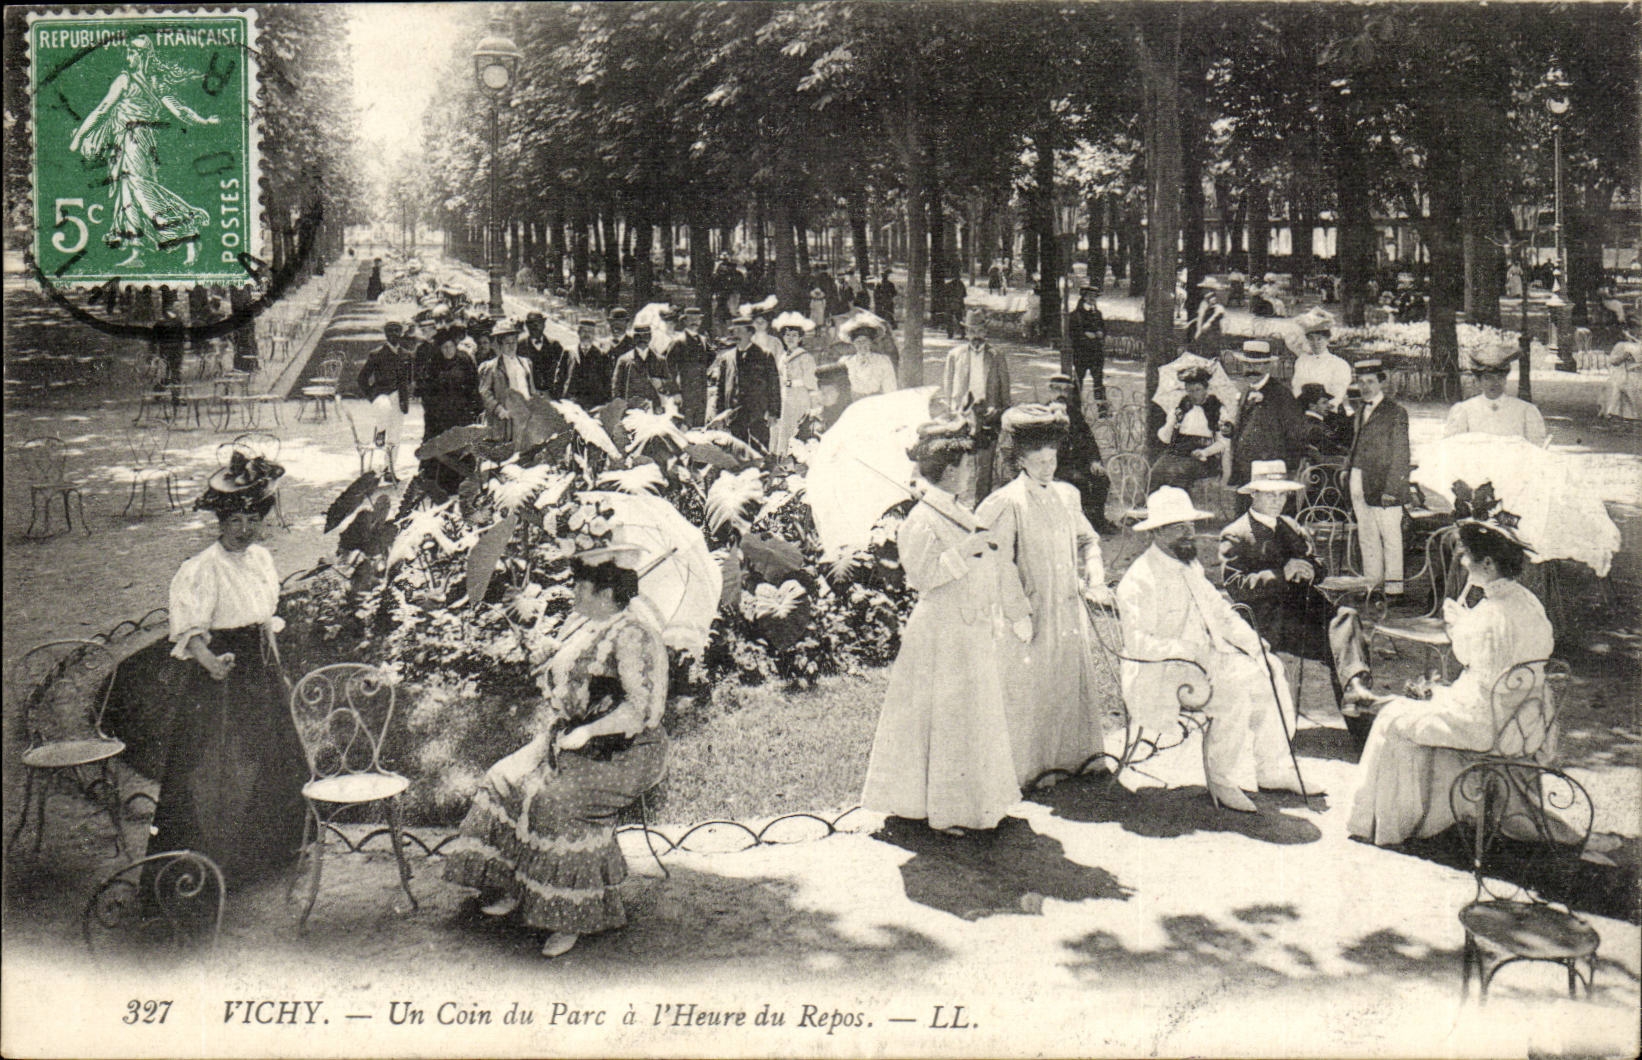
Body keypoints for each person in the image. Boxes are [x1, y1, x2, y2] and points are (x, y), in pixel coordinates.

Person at [444, 545, 671, 958]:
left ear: (605, 594)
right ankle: (517, 885)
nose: (574, 594)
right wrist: (547, 658)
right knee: (503, 779)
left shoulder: (635, 635)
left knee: (555, 804)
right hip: (567, 739)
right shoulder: (585, 625)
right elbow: (572, 680)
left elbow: (643, 710)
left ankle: (571, 917)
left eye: (582, 588)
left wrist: (588, 733)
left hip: (625, 750)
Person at [861, 419, 1029, 834]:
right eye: (968, 467)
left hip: (968, 624)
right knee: (947, 716)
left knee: (971, 712)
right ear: (950, 470)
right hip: (941, 630)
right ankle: (943, 808)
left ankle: (975, 803)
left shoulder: (953, 510)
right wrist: (966, 550)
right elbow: (922, 576)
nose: (973, 474)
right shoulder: (921, 518)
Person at [146, 453, 307, 883]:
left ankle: (269, 852)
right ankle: (209, 867)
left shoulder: (261, 560)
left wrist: (278, 667)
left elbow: (265, 620)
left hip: (262, 669)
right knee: (220, 767)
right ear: (220, 522)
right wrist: (212, 663)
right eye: (235, 521)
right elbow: (190, 631)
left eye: (253, 520)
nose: (245, 530)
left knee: (275, 755)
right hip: (223, 675)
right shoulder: (200, 569)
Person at [1347, 516, 1553, 846]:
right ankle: (1434, 812)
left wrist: (1459, 625)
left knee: (1393, 720)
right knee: (1425, 703)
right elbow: (1504, 663)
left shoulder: (1490, 613)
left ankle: (1387, 825)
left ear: (1487, 563)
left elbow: (1471, 661)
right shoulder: (1528, 602)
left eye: (1468, 555)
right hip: (1528, 718)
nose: (1462, 560)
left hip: (1491, 723)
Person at [1116, 486, 1305, 812]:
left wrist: (1253, 643)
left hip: (1200, 664)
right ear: (1158, 532)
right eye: (1179, 527)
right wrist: (1193, 651)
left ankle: (1272, 767)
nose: (1190, 533)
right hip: (1159, 674)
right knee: (1233, 689)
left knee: (1269, 668)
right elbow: (1139, 644)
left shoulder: (1189, 566)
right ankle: (1222, 778)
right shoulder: (1140, 579)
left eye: (1191, 525)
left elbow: (1220, 612)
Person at [976, 405, 1111, 787]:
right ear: (1020, 460)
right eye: (1039, 461)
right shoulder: (1006, 502)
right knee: (1031, 686)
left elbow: (1087, 539)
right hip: (1030, 611)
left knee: (1067, 680)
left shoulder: (1067, 495)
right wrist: (1018, 613)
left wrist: (1095, 571)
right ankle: (1032, 768)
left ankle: (1076, 758)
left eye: (1052, 459)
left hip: (1066, 606)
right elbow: (998, 564)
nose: (1047, 467)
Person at [1219, 460, 1374, 713]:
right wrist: (1282, 574)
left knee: (1347, 619)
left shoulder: (1290, 526)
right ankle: (1355, 694)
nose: (1277, 500)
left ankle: (1355, 693)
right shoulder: (1236, 533)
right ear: (1254, 494)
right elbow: (1236, 586)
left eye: (1282, 494)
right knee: (1343, 648)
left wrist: (1312, 569)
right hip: (1269, 621)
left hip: (1306, 613)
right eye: (1270, 494)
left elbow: (1318, 562)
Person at [68, 35, 216, 268]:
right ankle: (137, 253)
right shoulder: (131, 80)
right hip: (125, 143)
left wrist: (204, 121)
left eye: (133, 53)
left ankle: (189, 232)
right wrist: (80, 136)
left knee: (142, 191)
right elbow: (103, 109)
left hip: (137, 141)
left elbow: (179, 111)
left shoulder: (142, 82)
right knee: (126, 194)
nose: (128, 58)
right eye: (128, 53)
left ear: (144, 55)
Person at [1345, 359, 1410, 596]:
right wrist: (1348, 467)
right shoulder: (1361, 409)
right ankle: (1372, 584)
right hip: (1359, 479)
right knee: (1367, 535)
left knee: (1390, 537)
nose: (1365, 387)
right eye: (1361, 382)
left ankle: (1394, 590)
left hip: (1383, 484)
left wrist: (1392, 489)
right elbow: (1357, 443)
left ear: (1382, 382)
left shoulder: (1395, 412)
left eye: (1370, 381)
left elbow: (1401, 454)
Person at [942, 310, 1013, 502]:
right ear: (966, 332)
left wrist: (1003, 409)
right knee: (959, 460)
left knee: (985, 462)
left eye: (979, 330)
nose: (975, 335)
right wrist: (950, 407)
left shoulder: (996, 355)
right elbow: (948, 384)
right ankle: (956, 502)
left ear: (985, 332)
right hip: (963, 413)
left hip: (987, 412)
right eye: (971, 331)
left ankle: (981, 504)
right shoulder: (954, 355)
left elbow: (1004, 385)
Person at [1229, 341, 1304, 503]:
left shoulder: (1281, 395)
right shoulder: (1246, 391)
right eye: (1247, 364)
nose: (1251, 369)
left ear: (1268, 367)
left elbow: (1296, 434)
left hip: (1271, 471)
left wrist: (1288, 471)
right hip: (1246, 470)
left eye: (1258, 365)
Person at [1047, 373, 1117, 534]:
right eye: (1057, 389)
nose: (1061, 394)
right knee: (1079, 481)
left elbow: (1088, 439)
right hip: (1054, 465)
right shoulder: (1043, 413)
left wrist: (1094, 461)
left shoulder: (1074, 413)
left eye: (1066, 390)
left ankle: (1097, 521)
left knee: (1101, 478)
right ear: (1050, 391)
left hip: (1078, 463)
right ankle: (1079, 526)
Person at [417, 333, 484, 493]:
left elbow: (473, 386)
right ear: (439, 349)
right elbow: (426, 392)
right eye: (444, 347)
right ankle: (437, 487)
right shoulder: (433, 364)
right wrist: (433, 412)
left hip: (462, 414)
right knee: (441, 448)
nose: (448, 351)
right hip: (440, 417)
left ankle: (463, 485)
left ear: (456, 346)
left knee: (461, 448)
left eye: (451, 347)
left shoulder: (464, 360)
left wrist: (476, 408)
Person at [709, 310, 780, 449]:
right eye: (733, 332)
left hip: (757, 413)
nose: (736, 335)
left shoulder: (764, 355)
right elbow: (720, 388)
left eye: (740, 331)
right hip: (733, 414)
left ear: (750, 333)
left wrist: (773, 413)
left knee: (759, 449)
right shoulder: (727, 358)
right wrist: (719, 413)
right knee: (737, 450)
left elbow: (774, 385)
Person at [356, 321, 415, 483]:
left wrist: (406, 396)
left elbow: (409, 379)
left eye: (397, 332)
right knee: (384, 409)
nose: (394, 335)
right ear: (386, 335)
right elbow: (362, 378)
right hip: (382, 394)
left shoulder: (407, 355)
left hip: (399, 397)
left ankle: (389, 469)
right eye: (391, 332)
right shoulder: (377, 354)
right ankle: (380, 431)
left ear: (401, 334)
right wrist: (371, 395)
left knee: (396, 434)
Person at [1443, 362, 1548, 446]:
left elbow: (1536, 450)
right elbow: (1454, 447)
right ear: (1478, 381)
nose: (1495, 383)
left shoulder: (1525, 410)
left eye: (1500, 377)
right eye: (1488, 378)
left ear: (1505, 380)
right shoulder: (1464, 410)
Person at [771, 312, 821, 456]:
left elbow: (811, 382)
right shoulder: (783, 356)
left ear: (800, 338)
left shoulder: (805, 357)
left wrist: (814, 403)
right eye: (787, 335)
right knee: (784, 427)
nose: (790, 338)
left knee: (798, 427)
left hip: (800, 396)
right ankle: (783, 456)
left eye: (794, 335)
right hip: (785, 395)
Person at [478, 318, 535, 439]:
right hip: (505, 419)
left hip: (525, 415)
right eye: (507, 343)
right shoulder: (491, 367)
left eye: (514, 342)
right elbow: (484, 392)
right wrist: (499, 410)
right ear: (500, 345)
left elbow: (531, 389)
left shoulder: (525, 363)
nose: (511, 346)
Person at [1289, 309, 1351, 408]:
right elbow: (1296, 387)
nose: (1315, 343)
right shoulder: (1302, 361)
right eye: (1311, 339)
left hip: (1328, 411)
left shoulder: (1339, 364)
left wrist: (1325, 407)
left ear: (1327, 340)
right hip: (1304, 408)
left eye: (1319, 339)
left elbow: (1338, 393)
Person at [552, 317, 614, 410]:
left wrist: (605, 404)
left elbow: (606, 381)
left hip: (593, 404)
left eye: (590, 332)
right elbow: (560, 377)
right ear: (578, 333)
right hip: (570, 401)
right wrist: (558, 398)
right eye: (584, 331)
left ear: (594, 334)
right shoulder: (569, 352)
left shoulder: (602, 355)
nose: (587, 334)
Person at [668, 306, 715, 426]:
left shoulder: (703, 340)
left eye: (697, 319)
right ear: (685, 321)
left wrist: (703, 370)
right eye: (691, 319)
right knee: (684, 426)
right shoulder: (678, 341)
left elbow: (712, 356)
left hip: (701, 392)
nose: (695, 322)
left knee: (699, 426)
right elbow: (669, 368)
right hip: (685, 393)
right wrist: (675, 392)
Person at [838, 318, 899, 402]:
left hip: (876, 404)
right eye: (858, 341)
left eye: (865, 340)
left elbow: (890, 388)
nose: (862, 344)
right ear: (853, 343)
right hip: (853, 405)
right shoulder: (846, 361)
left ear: (870, 342)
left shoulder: (882, 360)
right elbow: (841, 390)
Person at [1067, 287, 1107, 401]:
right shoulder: (1076, 315)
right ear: (1084, 298)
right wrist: (1085, 335)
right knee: (1078, 380)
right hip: (1082, 352)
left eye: (1094, 297)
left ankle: (1102, 409)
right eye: (1090, 296)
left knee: (1098, 381)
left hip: (1096, 353)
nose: (1092, 299)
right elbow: (1072, 333)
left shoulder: (1098, 313)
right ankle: (1076, 408)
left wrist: (1101, 333)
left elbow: (1103, 328)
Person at [1298, 383, 1351, 461]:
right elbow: (1333, 449)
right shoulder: (1315, 426)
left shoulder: (1306, 421)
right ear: (1312, 406)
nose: (1329, 406)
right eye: (1324, 402)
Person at [519, 310, 565, 396]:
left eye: (539, 323)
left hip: (551, 394)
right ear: (526, 325)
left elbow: (563, 370)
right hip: (529, 395)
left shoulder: (555, 345)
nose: (535, 326)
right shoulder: (520, 346)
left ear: (544, 325)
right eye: (531, 323)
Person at [1598, 340, 1642, 421]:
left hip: (1638, 373)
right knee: (1621, 384)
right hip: (1628, 373)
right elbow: (1613, 361)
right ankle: (1615, 412)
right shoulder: (1622, 345)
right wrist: (1623, 357)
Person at [1188, 284, 1226, 358]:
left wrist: (1208, 323)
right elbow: (1200, 317)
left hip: (1213, 329)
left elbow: (1217, 316)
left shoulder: (1218, 307)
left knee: (1211, 346)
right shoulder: (1204, 304)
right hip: (1205, 329)